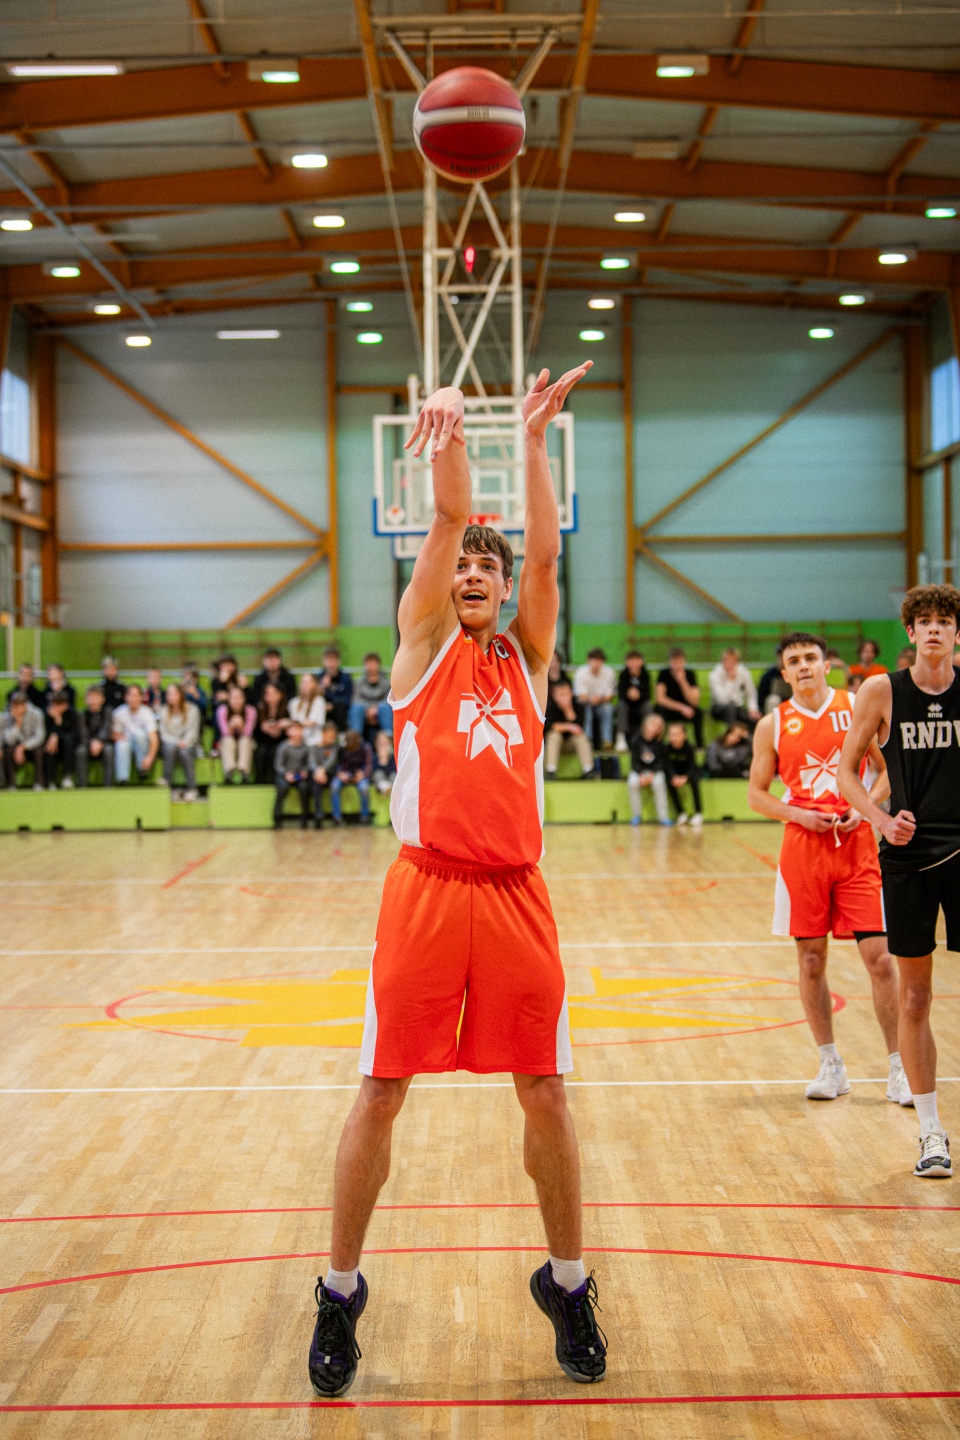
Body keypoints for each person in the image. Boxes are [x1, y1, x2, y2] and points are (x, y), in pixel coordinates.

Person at [307, 365, 607, 1401]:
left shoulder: (530, 657)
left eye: (490, 563)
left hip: (518, 894)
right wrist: (450, 437)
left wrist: (534, 441)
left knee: (547, 1089)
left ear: (506, 588)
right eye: (465, 563)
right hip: (426, 891)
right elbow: (445, 518)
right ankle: (338, 1291)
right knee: (381, 1088)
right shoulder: (423, 646)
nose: (476, 569)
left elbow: (548, 554)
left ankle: (568, 1283)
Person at [749, 631, 904, 1107]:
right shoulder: (773, 724)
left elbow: (888, 771)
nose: (803, 666)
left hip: (856, 846)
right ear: (784, 672)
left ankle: (900, 1066)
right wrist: (798, 815)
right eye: (794, 660)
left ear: (826, 665)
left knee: (881, 959)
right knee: (811, 960)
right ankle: (830, 1064)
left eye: (810, 658)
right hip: (803, 849)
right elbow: (756, 795)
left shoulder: (856, 705)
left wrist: (865, 808)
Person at [838, 585, 960, 1179]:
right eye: (925, 621)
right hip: (908, 858)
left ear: (956, 633)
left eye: (944, 621)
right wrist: (881, 819)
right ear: (910, 633)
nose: (934, 629)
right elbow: (846, 772)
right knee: (915, 997)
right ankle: (931, 1131)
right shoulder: (883, 690)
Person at [544, 678, 594, 779]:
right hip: (556, 743)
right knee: (553, 735)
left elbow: (579, 727)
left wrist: (568, 709)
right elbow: (549, 726)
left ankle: (588, 769)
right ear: (554, 696)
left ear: (571, 694)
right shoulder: (550, 707)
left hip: (572, 743)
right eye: (560, 695)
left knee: (581, 736)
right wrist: (569, 727)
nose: (563, 698)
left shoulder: (578, 707)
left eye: (565, 694)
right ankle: (551, 770)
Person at [627, 712, 670, 826]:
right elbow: (634, 761)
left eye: (659, 726)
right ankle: (636, 815)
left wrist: (652, 774)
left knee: (659, 782)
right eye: (653, 724)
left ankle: (663, 816)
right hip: (639, 771)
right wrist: (640, 774)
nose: (656, 727)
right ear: (646, 724)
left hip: (655, 771)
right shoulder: (636, 740)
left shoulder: (660, 743)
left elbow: (661, 762)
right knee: (632, 782)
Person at [158, 683, 200, 799]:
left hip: (189, 744)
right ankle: (167, 784)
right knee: (170, 748)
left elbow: (193, 732)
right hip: (171, 744)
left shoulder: (192, 709)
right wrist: (177, 743)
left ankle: (192, 788)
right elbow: (164, 734)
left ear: (180, 695)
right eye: (168, 694)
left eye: (174, 694)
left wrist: (185, 743)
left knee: (185, 752)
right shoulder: (163, 710)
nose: (171, 696)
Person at [655, 648, 703, 747]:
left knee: (698, 712)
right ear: (670, 662)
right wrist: (681, 708)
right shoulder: (663, 674)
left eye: (680, 662)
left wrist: (683, 682)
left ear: (684, 662)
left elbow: (695, 701)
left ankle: (699, 745)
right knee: (658, 710)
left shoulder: (690, 674)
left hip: (687, 710)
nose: (677, 665)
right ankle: (658, 745)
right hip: (670, 708)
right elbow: (660, 699)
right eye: (674, 662)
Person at [112, 684, 159, 784]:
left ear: (141, 697)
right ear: (125, 697)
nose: (133, 698)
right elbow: (114, 734)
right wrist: (122, 738)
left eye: (136, 695)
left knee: (139, 735)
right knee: (121, 745)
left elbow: (153, 738)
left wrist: (150, 758)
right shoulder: (118, 712)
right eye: (131, 695)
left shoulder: (147, 713)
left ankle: (143, 770)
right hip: (126, 741)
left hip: (142, 743)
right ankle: (123, 779)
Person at [273, 719, 314, 829]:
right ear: (288, 732)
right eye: (293, 729)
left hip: (299, 776)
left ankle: (305, 818)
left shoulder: (306, 747)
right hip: (285, 775)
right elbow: (278, 765)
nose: (296, 732)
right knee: (282, 788)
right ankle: (277, 817)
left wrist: (304, 772)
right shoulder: (283, 747)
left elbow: (309, 763)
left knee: (304, 788)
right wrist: (286, 774)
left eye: (299, 729)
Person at [573, 648, 616, 751]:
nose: (596, 663)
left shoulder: (609, 673)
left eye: (599, 660)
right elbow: (581, 696)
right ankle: (588, 740)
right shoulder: (581, 673)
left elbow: (610, 696)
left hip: (602, 704)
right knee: (586, 709)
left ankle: (607, 741)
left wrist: (599, 700)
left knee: (608, 708)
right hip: (585, 703)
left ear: (603, 662)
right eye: (593, 660)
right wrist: (591, 700)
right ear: (588, 661)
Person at [1, 690, 45, 789]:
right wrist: (18, 724)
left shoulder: (37, 713)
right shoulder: (5, 716)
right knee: (7, 750)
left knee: (39, 751)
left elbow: (40, 736)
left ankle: (39, 783)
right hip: (14, 746)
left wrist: (22, 747)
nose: (18, 708)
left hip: (31, 745)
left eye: (20, 705)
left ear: (26, 704)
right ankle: (11, 784)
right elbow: (8, 740)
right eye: (15, 705)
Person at [329, 728, 373, 826]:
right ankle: (337, 818)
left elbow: (369, 764)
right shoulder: (341, 748)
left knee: (364, 788)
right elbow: (336, 764)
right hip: (345, 773)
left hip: (360, 774)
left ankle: (365, 816)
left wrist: (363, 774)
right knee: (334, 786)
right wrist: (340, 773)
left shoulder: (366, 747)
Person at [708, 648, 760, 730]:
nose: (730, 665)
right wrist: (731, 681)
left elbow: (751, 693)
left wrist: (753, 709)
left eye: (733, 662)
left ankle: (749, 737)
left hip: (738, 707)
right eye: (728, 661)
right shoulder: (715, 675)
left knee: (753, 718)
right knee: (731, 709)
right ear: (722, 662)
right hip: (719, 708)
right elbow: (722, 700)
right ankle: (732, 735)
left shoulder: (743, 673)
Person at [663, 721, 703, 826]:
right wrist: (673, 777)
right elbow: (667, 766)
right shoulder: (666, 749)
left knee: (695, 781)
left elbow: (692, 765)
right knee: (668, 782)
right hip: (675, 772)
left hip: (688, 772)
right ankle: (681, 812)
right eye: (672, 734)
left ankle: (698, 812)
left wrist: (685, 777)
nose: (674, 737)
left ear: (684, 735)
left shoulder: (689, 748)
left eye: (677, 734)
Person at [215, 683, 257, 782]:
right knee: (228, 740)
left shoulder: (251, 711)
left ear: (244, 699)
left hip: (247, 741)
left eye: (240, 697)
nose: (237, 701)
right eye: (234, 698)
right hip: (227, 741)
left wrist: (241, 726)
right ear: (229, 699)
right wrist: (231, 725)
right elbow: (225, 732)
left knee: (245, 741)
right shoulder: (222, 710)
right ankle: (229, 772)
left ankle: (244, 773)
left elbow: (248, 733)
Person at [76, 686, 114, 788]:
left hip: (103, 743)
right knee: (81, 751)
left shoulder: (107, 712)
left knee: (109, 750)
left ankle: (108, 785)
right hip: (87, 744)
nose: (93, 700)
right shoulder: (82, 714)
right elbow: (83, 732)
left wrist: (99, 741)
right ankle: (82, 785)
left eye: (96, 697)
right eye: (90, 697)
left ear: (102, 699)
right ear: (86, 699)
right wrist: (91, 743)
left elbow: (107, 728)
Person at [348, 653, 392, 739]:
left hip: (380, 710)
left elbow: (388, 699)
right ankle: (355, 740)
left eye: (373, 663)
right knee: (356, 708)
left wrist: (376, 708)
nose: (371, 666)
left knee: (385, 708)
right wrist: (368, 710)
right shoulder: (358, 682)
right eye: (368, 663)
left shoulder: (386, 683)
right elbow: (356, 699)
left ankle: (389, 738)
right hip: (364, 711)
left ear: (378, 664)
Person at [253, 682, 289, 784]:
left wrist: (281, 729)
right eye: (268, 693)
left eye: (274, 693)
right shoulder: (259, 710)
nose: (271, 696)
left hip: (280, 741)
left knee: (275, 751)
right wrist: (263, 728)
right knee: (261, 752)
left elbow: (290, 731)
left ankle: (275, 779)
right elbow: (255, 733)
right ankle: (260, 780)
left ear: (281, 695)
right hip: (263, 741)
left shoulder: (286, 710)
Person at [42, 690, 78, 789]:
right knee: (50, 747)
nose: (56, 708)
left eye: (59, 705)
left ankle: (67, 776)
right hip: (52, 746)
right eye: (54, 705)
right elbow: (45, 732)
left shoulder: (72, 714)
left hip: (68, 746)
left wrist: (57, 733)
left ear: (65, 704)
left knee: (68, 742)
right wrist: (54, 735)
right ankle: (50, 781)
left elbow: (73, 733)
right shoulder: (47, 715)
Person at [616, 651, 650, 751]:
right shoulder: (623, 675)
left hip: (640, 704)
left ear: (642, 661)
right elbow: (621, 694)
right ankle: (621, 738)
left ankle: (648, 736)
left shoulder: (645, 675)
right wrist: (629, 695)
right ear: (626, 662)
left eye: (636, 660)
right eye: (631, 660)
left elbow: (647, 694)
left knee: (648, 706)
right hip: (627, 704)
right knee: (621, 706)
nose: (634, 663)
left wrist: (638, 695)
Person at [311, 720, 341, 828]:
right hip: (317, 775)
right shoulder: (314, 747)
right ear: (323, 733)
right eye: (329, 735)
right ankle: (318, 813)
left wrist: (322, 770)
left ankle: (337, 817)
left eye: (333, 736)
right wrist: (318, 771)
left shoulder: (335, 747)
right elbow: (312, 761)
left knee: (335, 786)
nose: (331, 738)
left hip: (331, 774)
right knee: (315, 784)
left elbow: (331, 761)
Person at [316, 647, 353, 732]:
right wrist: (323, 687)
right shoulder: (319, 677)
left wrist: (332, 704)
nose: (330, 664)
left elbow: (347, 699)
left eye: (333, 660)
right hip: (322, 708)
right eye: (328, 660)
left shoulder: (345, 678)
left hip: (339, 710)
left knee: (339, 706)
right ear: (323, 661)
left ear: (339, 661)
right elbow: (314, 697)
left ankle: (342, 733)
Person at [289, 673, 327, 747]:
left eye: (308, 682)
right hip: (297, 740)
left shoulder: (319, 701)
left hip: (315, 740)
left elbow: (314, 722)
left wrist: (297, 723)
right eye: (303, 682)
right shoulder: (293, 702)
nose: (305, 685)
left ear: (314, 684)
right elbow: (294, 724)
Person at [371, 729, 396, 800]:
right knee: (378, 774)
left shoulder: (393, 756)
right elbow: (373, 770)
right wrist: (381, 761)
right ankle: (385, 788)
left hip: (390, 777)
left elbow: (393, 769)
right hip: (380, 780)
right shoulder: (374, 757)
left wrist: (386, 760)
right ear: (376, 745)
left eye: (385, 744)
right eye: (380, 745)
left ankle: (391, 788)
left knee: (394, 775)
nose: (383, 748)